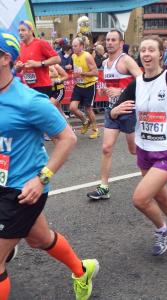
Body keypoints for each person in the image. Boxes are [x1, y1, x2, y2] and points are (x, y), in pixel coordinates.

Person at [0, 29, 99, 300]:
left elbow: (66, 138)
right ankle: (82, 270)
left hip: (23, 190)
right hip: (1, 181)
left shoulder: (30, 101)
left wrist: (42, 177)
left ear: (5, 58)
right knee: (39, 239)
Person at [110, 12, 167, 256]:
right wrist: (114, 112)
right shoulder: (136, 83)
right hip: (144, 150)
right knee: (160, 195)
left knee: (140, 199)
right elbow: (114, 111)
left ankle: (162, 230)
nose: (147, 54)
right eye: (143, 50)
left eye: (152, 50)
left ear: (161, 54)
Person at [87, 30, 142, 200]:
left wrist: (121, 91)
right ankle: (104, 187)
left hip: (128, 110)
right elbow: (114, 85)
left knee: (134, 150)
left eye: (113, 40)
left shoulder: (126, 60)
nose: (109, 42)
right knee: (106, 148)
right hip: (111, 111)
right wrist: (108, 90)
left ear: (120, 42)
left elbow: (143, 81)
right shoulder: (105, 62)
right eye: (107, 40)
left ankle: (153, 177)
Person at [16, 20, 61, 98]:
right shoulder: (21, 46)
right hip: (28, 87)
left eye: (23, 30)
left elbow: (57, 59)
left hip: (42, 86)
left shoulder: (41, 43)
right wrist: (18, 67)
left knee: (43, 110)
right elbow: (18, 68)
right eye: (19, 30)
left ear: (31, 31)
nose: (20, 33)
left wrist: (39, 63)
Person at [69, 37, 99, 139]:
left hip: (89, 85)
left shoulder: (87, 56)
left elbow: (95, 72)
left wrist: (82, 73)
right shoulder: (73, 56)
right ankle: (85, 122)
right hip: (79, 85)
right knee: (72, 108)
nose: (73, 48)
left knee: (88, 109)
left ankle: (95, 129)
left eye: (75, 46)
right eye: (72, 46)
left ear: (81, 46)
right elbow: (76, 70)